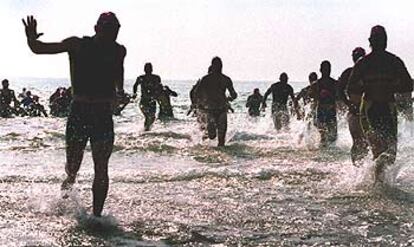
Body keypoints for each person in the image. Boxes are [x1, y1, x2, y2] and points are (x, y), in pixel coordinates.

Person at [23, 13, 126, 216]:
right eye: (107, 28)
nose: (111, 33)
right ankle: (64, 203)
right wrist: (31, 38)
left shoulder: (118, 50)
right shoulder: (77, 45)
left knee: (102, 167)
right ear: (96, 28)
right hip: (79, 111)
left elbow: (118, 72)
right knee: (72, 167)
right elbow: (39, 49)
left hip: (102, 113)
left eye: (115, 29)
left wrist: (119, 94)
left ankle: (97, 217)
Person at [348, 25, 413, 183]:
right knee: (379, 150)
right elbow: (351, 88)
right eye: (377, 39)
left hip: (387, 108)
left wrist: (388, 85)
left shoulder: (392, 61)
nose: (379, 42)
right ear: (372, 41)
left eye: (380, 39)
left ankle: (378, 180)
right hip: (369, 109)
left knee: (390, 154)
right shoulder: (367, 63)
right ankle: (377, 184)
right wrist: (375, 85)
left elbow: (409, 85)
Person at [194, 57, 237, 146]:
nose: (219, 67)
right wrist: (199, 104)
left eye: (220, 65)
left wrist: (230, 98)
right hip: (210, 110)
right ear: (212, 66)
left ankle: (222, 158)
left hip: (222, 110)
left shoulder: (226, 79)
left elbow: (234, 94)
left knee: (221, 140)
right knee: (212, 135)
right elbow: (197, 93)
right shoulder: (206, 79)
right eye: (217, 65)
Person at [338, 47, 369, 164]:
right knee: (357, 140)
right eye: (356, 57)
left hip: (367, 111)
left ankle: (364, 167)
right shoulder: (347, 73)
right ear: (353, 58)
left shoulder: (368, 72)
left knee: (366, 142)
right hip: (354, 111)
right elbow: (339, 91)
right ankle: (356, 166)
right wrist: (348, 104)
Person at [310, 61, 338, 148]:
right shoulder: (316, 84)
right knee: (323, 135)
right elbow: (311, 96)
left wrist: (329, 94)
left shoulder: (334, 83)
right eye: (325, 69)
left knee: (333, 136)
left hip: (331, 110)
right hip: (321, 110)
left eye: (328, 69)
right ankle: (323, 152)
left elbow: (339, 97)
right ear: (321, 70)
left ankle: (329, 154)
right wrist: (319, 94)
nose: (327, 71)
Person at [132, 63, 163, 131]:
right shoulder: (141, 78)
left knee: (152, 117)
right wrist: (134, 94)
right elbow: (135, 85)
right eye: (146, 68)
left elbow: (160, 87)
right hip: (144, 100)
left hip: (152, 100)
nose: (148, 70)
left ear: (151, 69)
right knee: (147, 116)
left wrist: (159, 95)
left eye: (149, 68)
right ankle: (146, 130)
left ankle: (147, 131)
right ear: (144, 69)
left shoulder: (156, 78)